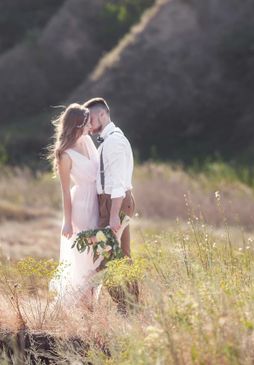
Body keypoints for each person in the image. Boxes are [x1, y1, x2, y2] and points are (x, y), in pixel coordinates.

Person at [84, 97, 138, 311]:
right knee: (121, 256)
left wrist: (113, 214)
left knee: (105, 257)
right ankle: (131, 307)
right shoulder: (110, 140)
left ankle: (127, 306)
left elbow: (116, 181)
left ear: (102, 115)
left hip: (115, 202)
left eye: (90, 119)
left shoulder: (114, 141)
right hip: (115, 202)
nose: (89, 125)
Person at [48, 103, 102, 308]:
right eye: (88, 123)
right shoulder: (65, 154)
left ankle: (91, 305)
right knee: (85, 258)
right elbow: (64, 190)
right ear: (78, 124)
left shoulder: (88, 141)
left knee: (98, 255)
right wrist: (67, 222)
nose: (91, 126)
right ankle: (80, 307)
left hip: (97, 202)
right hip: (81, 205)